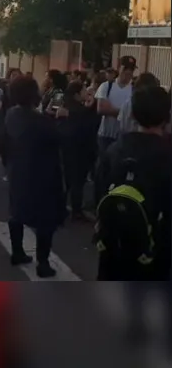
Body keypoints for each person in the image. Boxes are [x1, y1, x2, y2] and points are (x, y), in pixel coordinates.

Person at [95, 85, 171, 281]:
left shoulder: (114, 149)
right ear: (166, 116)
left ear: (134, 115)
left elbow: (99, 192)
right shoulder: (166, 154)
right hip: (154, 253)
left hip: (113, 245)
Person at [4, 75, 64, 278]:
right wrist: (60, 119)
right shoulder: (42, 122)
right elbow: (58, 140)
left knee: (16, 213)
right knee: (45, 222)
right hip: (42, 177)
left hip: (17, 172)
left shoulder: (11, 114)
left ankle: (18, 252)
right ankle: (43, 262)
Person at [94, 55, 136, 205]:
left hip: (122, 137)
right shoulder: (107, 86)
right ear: (120, 68)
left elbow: (133, 113)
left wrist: (114, 110)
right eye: (125, 69)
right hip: (105, 135)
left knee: (118, 173)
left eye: (131, 70)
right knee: (102, 171)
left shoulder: (133, 89)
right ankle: (98, 201)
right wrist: (123, 112)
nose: (128, 73)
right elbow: (101, 108)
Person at [57, 80, 99, 222]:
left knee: (67, 180)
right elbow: (91, 124)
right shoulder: (80, 111)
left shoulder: (67, 107)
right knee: (77, 182)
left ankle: (61, 208)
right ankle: (76, 211)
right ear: (76, 94)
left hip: (66, 148)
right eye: (83, 90)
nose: (86, 92)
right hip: (80, 149)